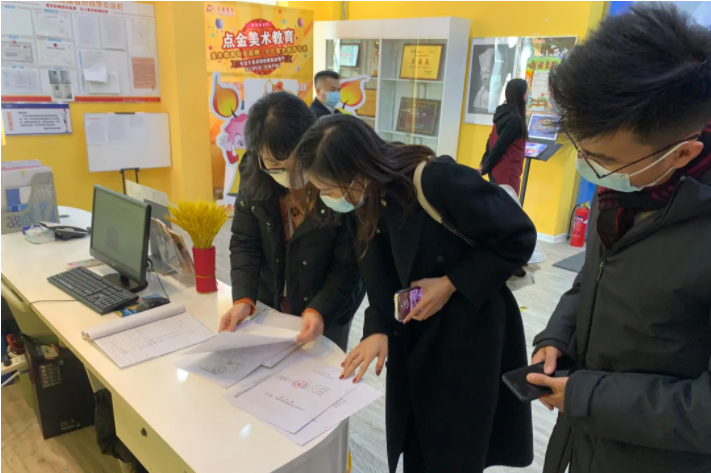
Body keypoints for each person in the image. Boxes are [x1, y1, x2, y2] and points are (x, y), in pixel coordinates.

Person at [294, 114, 537, 473]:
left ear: (358, 169)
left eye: (330, 189)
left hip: (469, 336)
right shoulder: (362, 200)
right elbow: (378, 275)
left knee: (455, 447)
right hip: (414, 333)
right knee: (417, 437)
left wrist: (450, 283)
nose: (328, 199)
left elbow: (519, 236)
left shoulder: (436, 180)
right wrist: (377, 328)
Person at [529, 5, 711, 473]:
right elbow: (596, 274)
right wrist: (558, 335)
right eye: (582, 150)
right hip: (584, 441)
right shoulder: (625, 188)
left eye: (604, 159)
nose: (588, 168)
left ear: (683, 153)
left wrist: (587, 398)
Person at [219, 92, 365, 351]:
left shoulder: (334, 176)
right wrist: (243, 298)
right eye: (275, 165)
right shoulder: (253, 170)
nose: (288, 174)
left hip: (327, 306)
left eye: (297, 163)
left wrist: (320, 310)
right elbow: (244, 240)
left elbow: (350, 263)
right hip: (271, 302)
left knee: (323, 369)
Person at [480, 78, 529, 195]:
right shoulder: (514, 120)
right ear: (521, 95)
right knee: (507, 204)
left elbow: (491, 141)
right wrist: (485, 166)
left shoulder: (502, 112)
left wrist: (484, 163)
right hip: (507, 175)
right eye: (527, 93)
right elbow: (499, 146)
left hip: (497, 171)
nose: (528, 96)